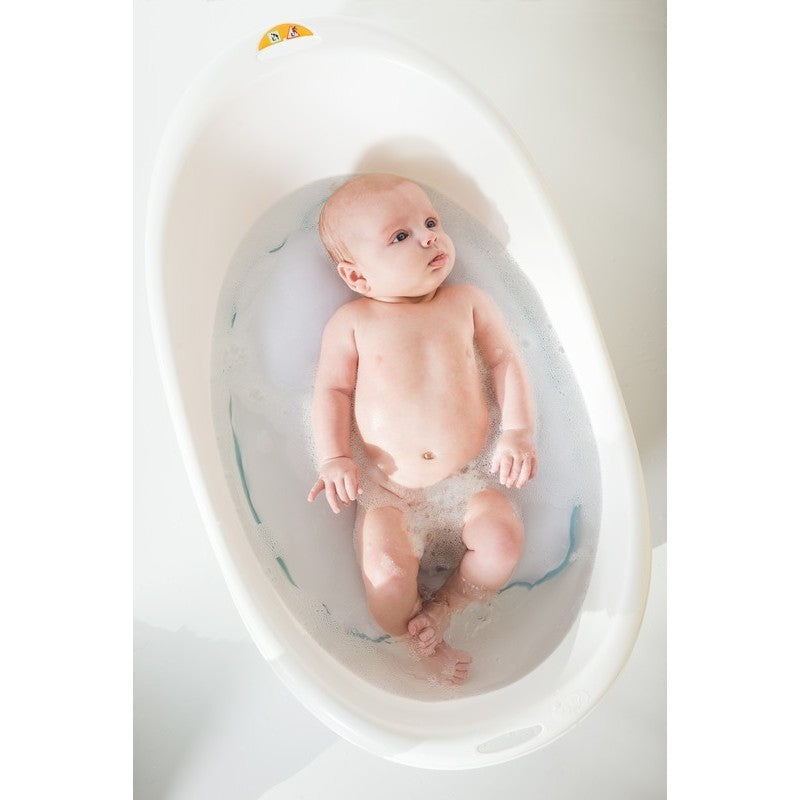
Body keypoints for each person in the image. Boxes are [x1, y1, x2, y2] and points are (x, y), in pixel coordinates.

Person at [307, 174, 537, 685]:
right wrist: (334, 457)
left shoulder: (467, 301)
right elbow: (332, 391)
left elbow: (505, 360)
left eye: (431, 222)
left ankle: (446, 608)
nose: (429, 237)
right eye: (401, 236)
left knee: (502, 541)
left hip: (469, 481)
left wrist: (518, 431)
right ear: (358, 276)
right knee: (387, 578)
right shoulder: (353, 321)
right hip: (391, 493)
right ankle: (415, 637)